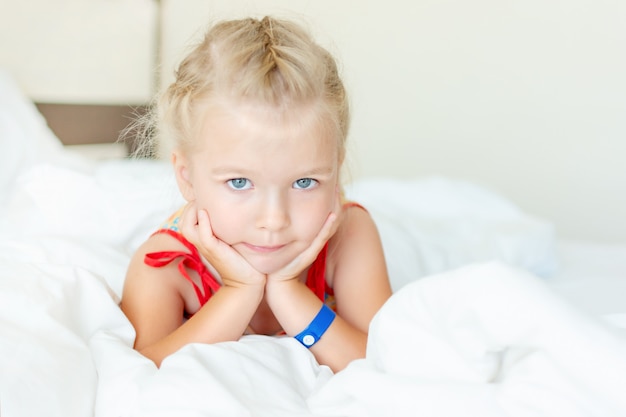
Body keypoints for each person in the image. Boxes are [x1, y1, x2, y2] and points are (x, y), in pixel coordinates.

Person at [120, 16, 392, 373]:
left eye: (304, 182)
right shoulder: (164, 265)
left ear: (336, 171)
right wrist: (239, 291)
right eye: (239, 183)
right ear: (186, 177)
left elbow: (383, 361)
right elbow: (144, 370)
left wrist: (289, 293)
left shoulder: (349, 234)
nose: (274, 219)